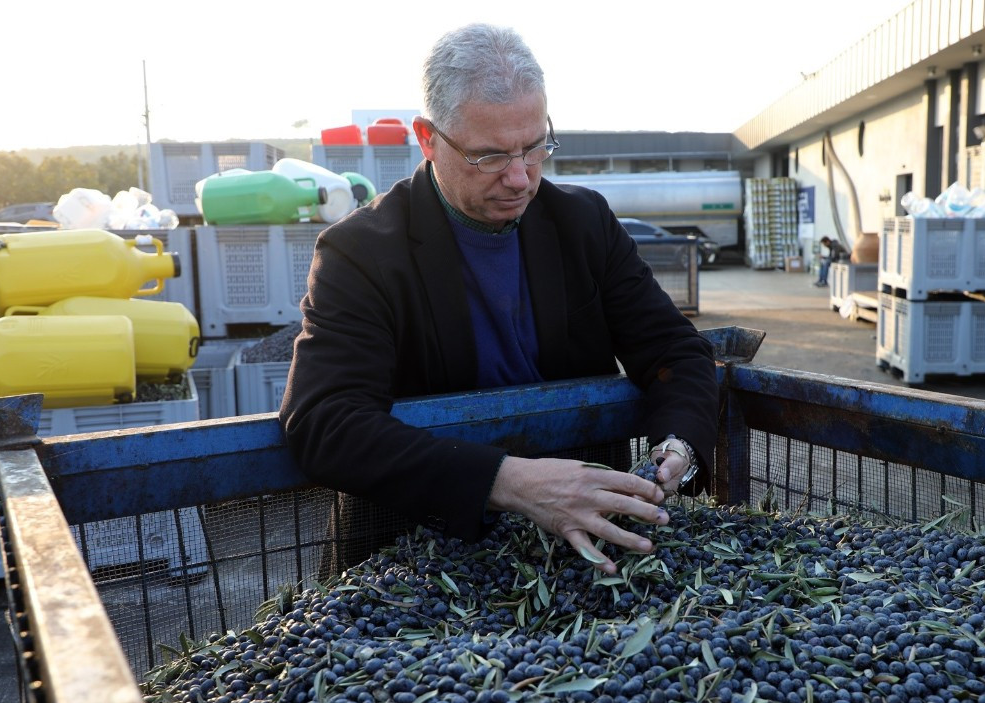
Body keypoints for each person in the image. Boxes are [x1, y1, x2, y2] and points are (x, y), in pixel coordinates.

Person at [279, 23, 719, 578]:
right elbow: (324, 420)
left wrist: (677, 445)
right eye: (488, 157)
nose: (520, 179)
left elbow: (675, 353)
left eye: (534, 148)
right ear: (428, 138)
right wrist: (507, 481)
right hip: (414, 562)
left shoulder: (583, 224)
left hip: (584, 551)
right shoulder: (361, 252)